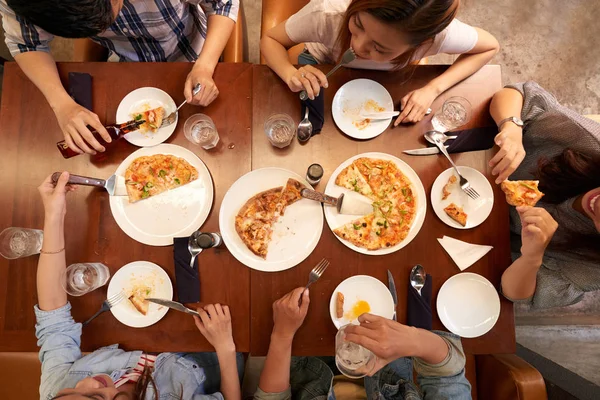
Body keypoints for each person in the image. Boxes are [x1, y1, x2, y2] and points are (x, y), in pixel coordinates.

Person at [36, 172, 243, 399]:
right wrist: (225, 348)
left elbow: (53, 318)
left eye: (68, 391)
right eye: (96, 396)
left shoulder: (53, 389)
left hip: (147, 334)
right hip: (210, 357)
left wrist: (54, 213)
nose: (85, 383)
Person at [0, 0, 238, 155]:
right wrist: (62, 104)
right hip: (125, 65)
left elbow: (223, 3)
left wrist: (205, 66)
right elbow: (26, 43)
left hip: (193, 47)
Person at [260, 0, 499, 124]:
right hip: (323, 64)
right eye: (358, 25)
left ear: (421, 44)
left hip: (393, 81)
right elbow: (270, 39)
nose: (358, 46)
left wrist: (432, 89)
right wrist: (290, 72)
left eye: (379, 47)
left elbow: (489, 47)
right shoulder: (328, 15)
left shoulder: (438, 37)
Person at [489, 81, 600, 308]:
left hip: (483, 243)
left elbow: (515, 294)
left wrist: (532, 258)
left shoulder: (592, 269)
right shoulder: (587, 140)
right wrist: (511, 128)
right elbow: (517, 94)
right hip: (476, 163)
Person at [254, 288, 471, 399]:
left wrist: (282, 334)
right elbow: (448, 375)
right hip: (389, 354)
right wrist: (415, 340)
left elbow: (272, 397)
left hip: (303, 360)